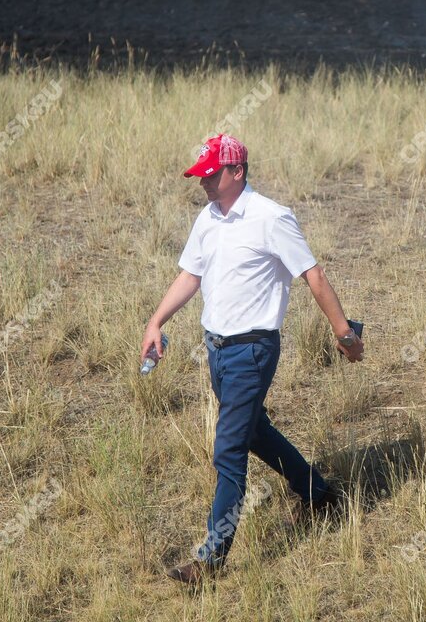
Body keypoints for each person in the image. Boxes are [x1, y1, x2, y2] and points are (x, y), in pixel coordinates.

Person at [142, 134, 364, 584]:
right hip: (217, 350)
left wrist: (344, 333)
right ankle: (318, 494)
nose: (202, 180)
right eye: (200, 173)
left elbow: (313, 275)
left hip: (253, 350)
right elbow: (191, 274)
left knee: (228, 452)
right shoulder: (207, 218)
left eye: (211, 173)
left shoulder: (271, 217)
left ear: (237, 172)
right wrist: (156, 321)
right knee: (254, 431)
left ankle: (210, 561)